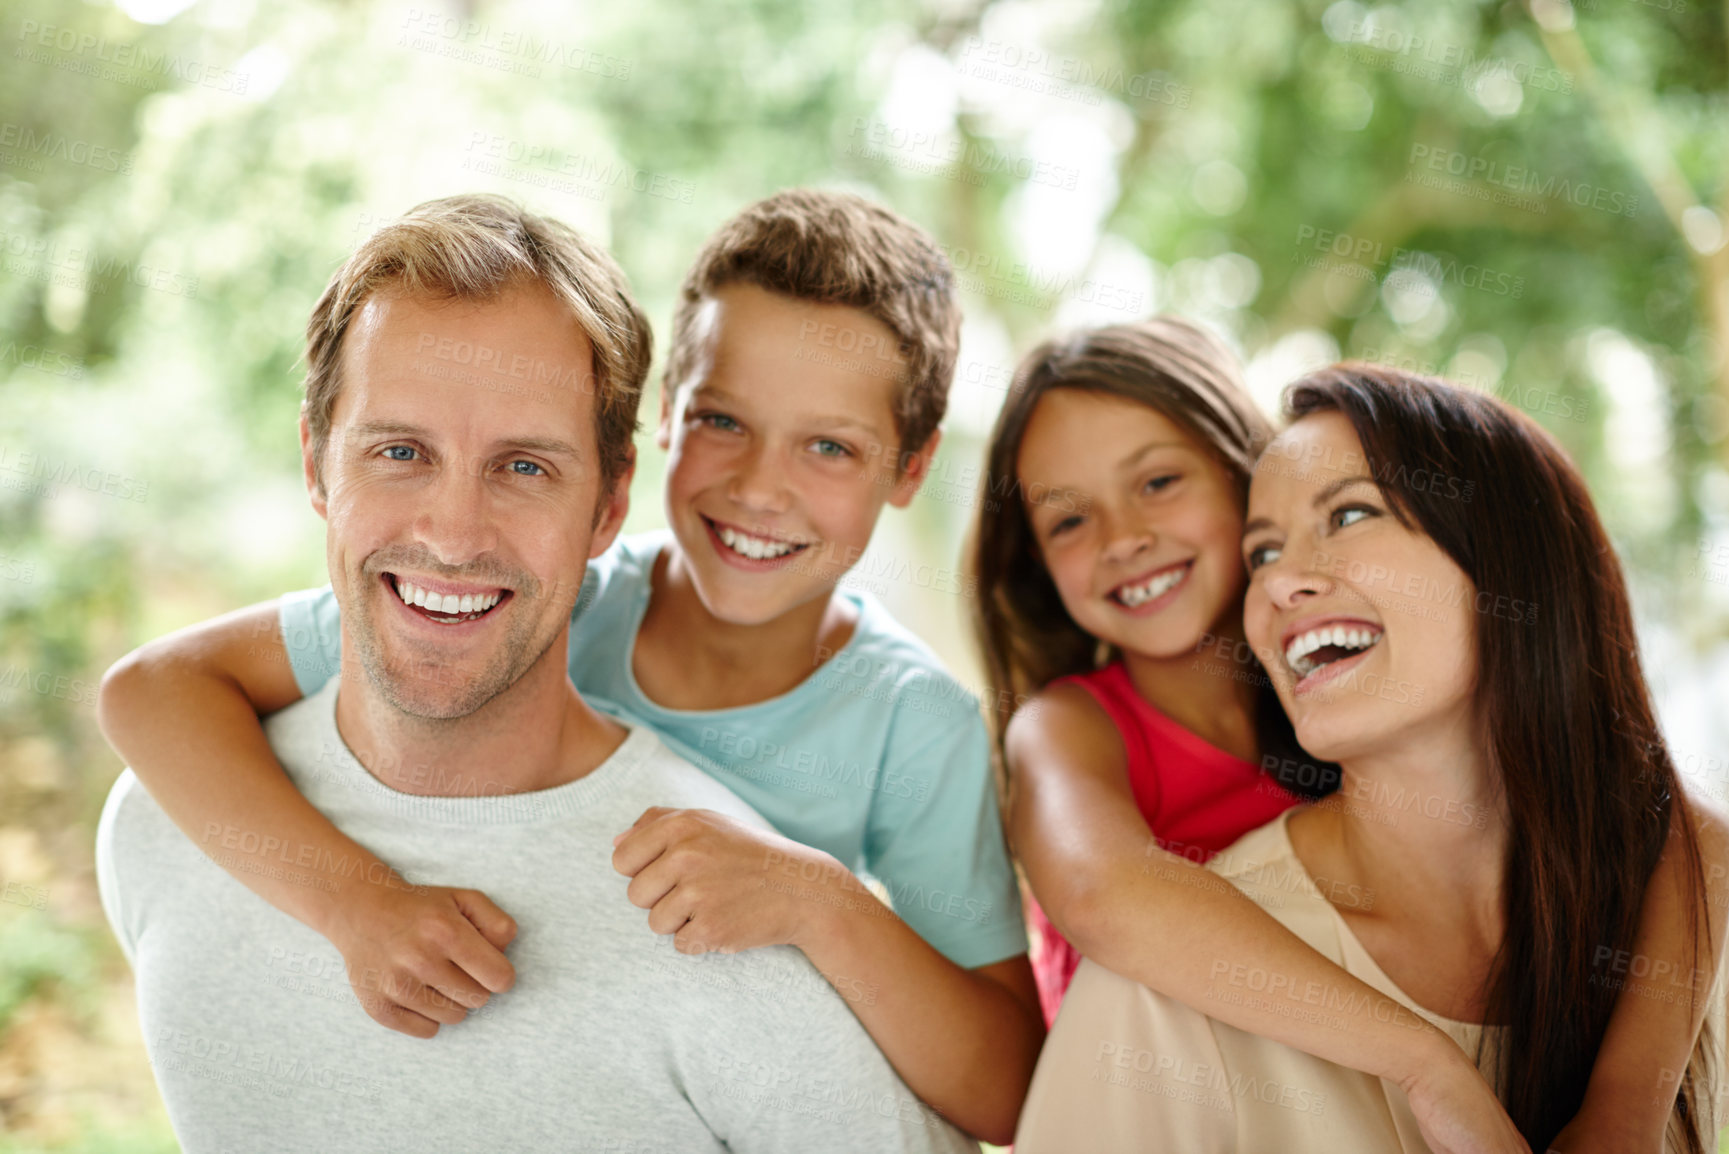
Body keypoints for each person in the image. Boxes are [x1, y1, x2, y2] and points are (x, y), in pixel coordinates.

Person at [96, 189, 1040, 1143]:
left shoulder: (914, 724)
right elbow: (155, 690)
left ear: (911, 469)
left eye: (830, 446)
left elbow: (1007, 1088)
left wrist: (821, 900)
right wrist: (353, 900)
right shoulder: (561, 600)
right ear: (669, 418)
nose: (760, 488)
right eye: (723, 421)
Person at [1009, 363, 1729, 1151]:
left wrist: (1625, 1111)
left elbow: (1684, 826)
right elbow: (1102, 891)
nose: (1283, 582)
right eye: (1266, 553)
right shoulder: (1157, 981)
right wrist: (1425, 1063)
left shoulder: (1673, 917)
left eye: (1349, 513)